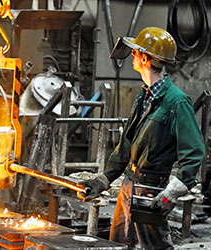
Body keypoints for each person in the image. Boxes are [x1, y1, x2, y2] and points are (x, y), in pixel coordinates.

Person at [79, 27, 205, 249]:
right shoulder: (144, 96)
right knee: (118, 244)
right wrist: (104, 179)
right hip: (129, 183)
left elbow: (194, 152)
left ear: (146, 59)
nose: (133, 57)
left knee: (155, 246)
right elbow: (127, 144)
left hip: (151, 189)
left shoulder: (177, 102)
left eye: (136, 52)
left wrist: (171, 193)